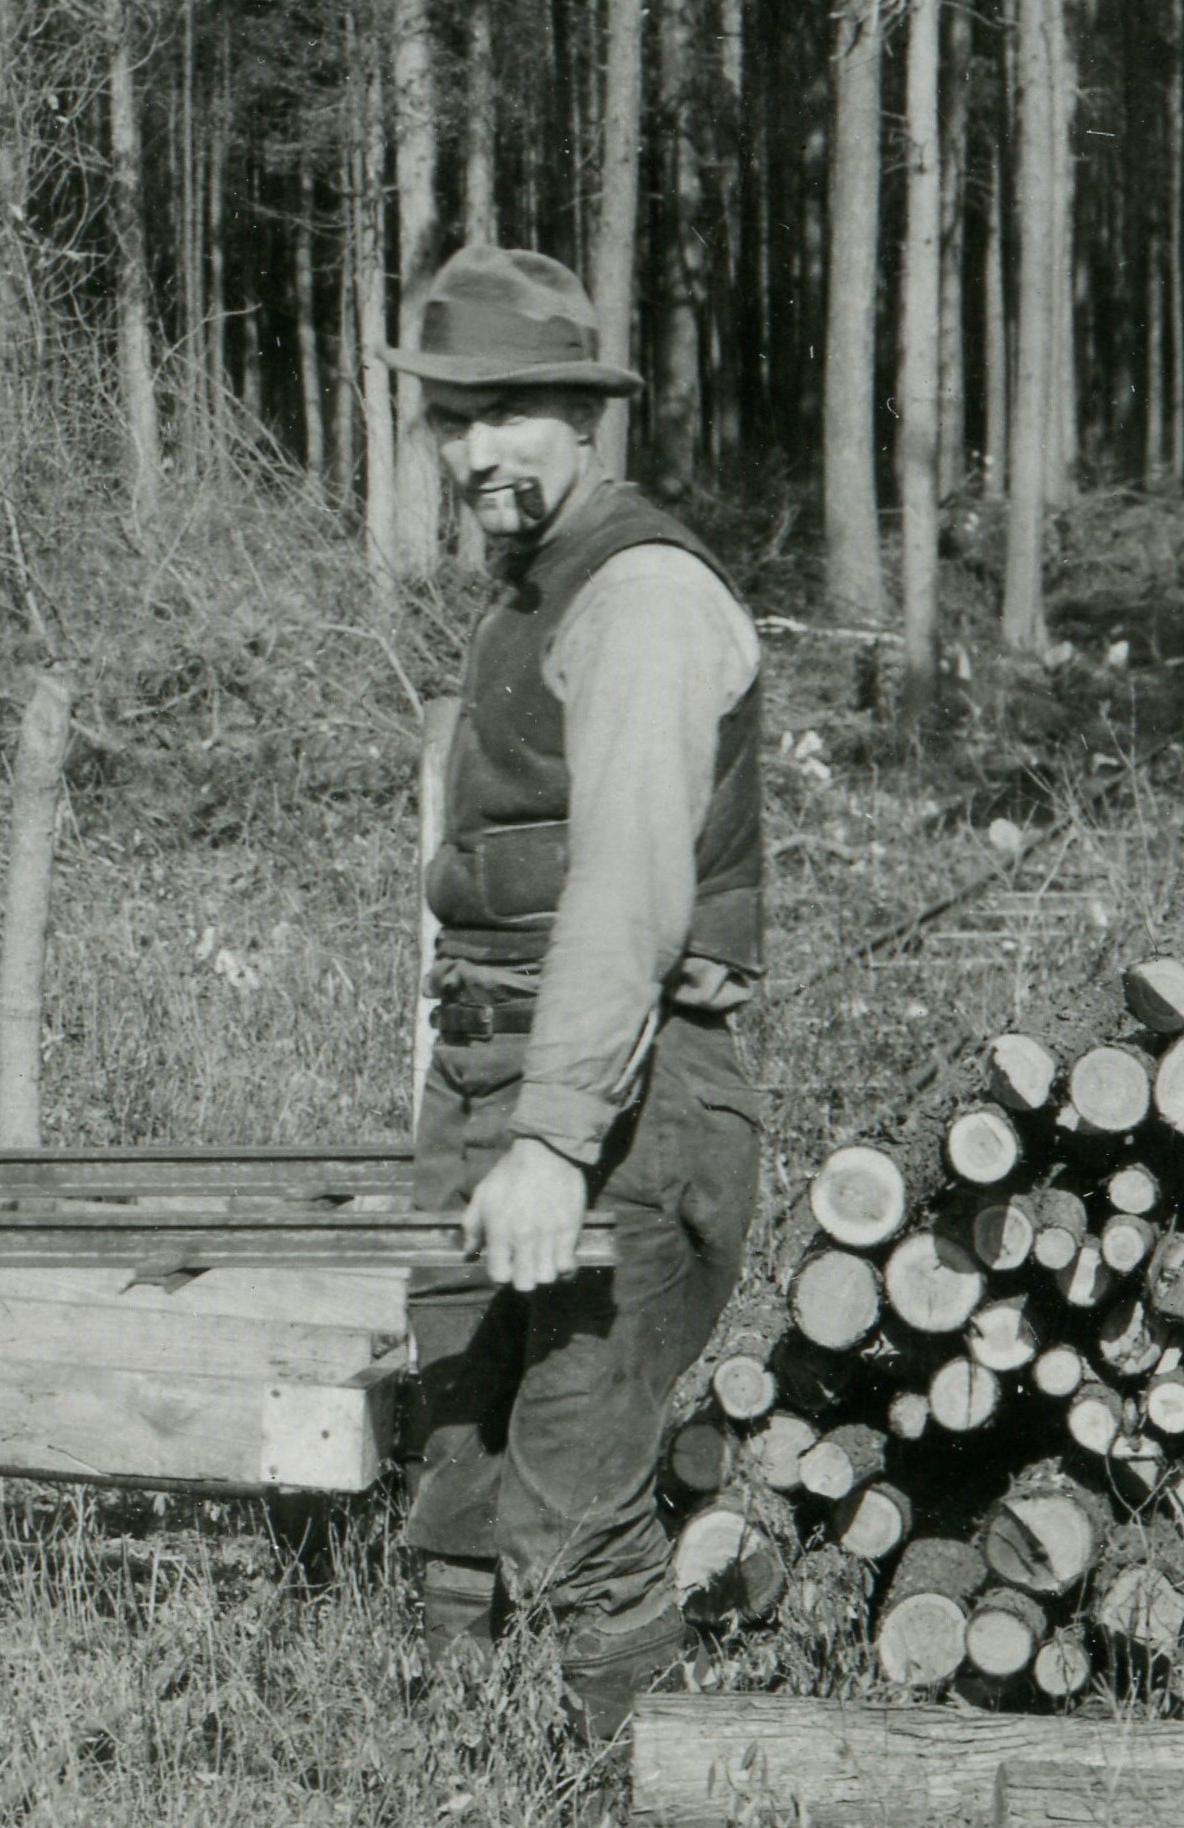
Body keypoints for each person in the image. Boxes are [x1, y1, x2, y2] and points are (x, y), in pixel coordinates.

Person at [377, 248, 768, 1741]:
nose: (476, 449)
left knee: (568, 1497)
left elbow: (625, 889)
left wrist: (547, 1143)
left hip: (630, 1104)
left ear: (583, 414)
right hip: (497, 1082)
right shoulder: (523, 594)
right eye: (449, 420)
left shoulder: (642, 594)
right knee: (458, 1480)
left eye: (511, 412)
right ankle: (459, 1814)